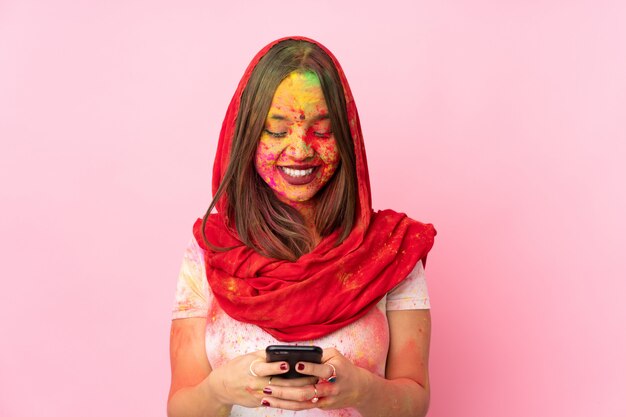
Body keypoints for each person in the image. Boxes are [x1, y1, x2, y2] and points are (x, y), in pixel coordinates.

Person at [167, 36, 436, 417]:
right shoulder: (210, 253)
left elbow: (415, 402)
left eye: (323, 131)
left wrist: (360, 389)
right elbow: (180, 408)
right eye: (276, 131)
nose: (300, 150)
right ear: (245, 136)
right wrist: (220, 389)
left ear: (347, 137)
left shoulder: (391, 250)